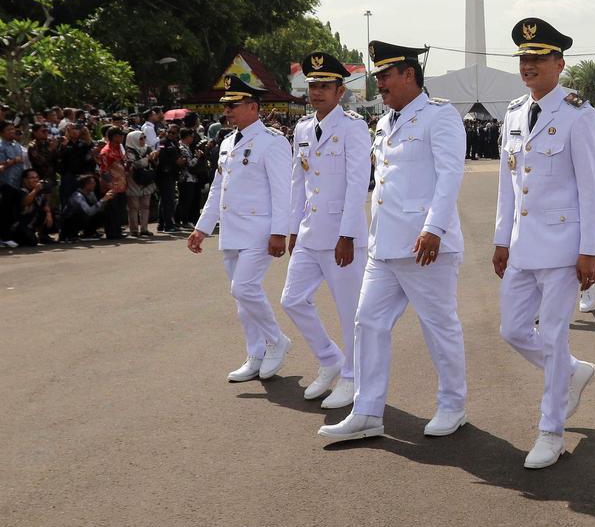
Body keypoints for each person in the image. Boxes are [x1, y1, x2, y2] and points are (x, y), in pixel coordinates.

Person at [319, 41, 469, 442]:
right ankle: (368, 411)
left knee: (439, 326)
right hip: (384, 245)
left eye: (385, 75)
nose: (380, 84)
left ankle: (453, 405)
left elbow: (450, 175)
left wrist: (435, 228)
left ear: (409, 74)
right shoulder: (386, 122)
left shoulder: (441, 116)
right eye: (377, 76)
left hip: (425, 245)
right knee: (367, 321)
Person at [491, 18, 595, 469]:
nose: (528, 66)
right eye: (523, 58)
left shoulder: (578, 115)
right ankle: (572, 373)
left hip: (562, 245)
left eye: (537, 58)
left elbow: (592, 190)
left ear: (559, 63)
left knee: (554, 336)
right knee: (513, 329)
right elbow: (507, 185)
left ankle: (550, 430)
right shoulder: (514, 114)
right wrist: (502, 239)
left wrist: (589, 250)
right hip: (522, 245)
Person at [277, 53, 370, 412]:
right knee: (292, 300)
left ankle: (352, 376)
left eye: (324, 86)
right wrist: (292, 228)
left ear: (339, 91)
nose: (316, 92)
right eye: (312, 85)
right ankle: (330, 358)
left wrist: (347, 235)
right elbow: (297, 181)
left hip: (341, 236)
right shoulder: (301, 128)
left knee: (350, 312)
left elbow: (357, 182)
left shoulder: (353, 127)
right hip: (310, 231)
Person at [187, 75, 293, 382]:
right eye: (226, 106)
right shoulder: (227, 141)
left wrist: (279, 232)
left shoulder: (272, 141)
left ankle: (277, 341)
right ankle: (255, 352)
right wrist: (202, 229)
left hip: (259, 229)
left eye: (234, 105)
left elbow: (281, 190)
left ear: (253, 107)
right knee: (243, 298)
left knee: (243, 288)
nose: (228, 112)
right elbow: (218, 189)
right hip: (233, 230)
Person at [60, 174, 115, 241]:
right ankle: (70, 235)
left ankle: (89, 233)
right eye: (92, 183)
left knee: (102, 214)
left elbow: (96, 208)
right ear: (85, 184)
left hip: (83, 219)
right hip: (70, 222)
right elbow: (89, 212)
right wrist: (103, 199)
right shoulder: (78, 196)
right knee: (80, 215)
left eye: (94, 183)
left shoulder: (91, 193)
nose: (94, 185)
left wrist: (106, 200)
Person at [97, 126, 128, 240]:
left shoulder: (118, 148)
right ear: (114, 137)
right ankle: (112, 233)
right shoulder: (106, 151)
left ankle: (117, 230)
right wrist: (110, 186)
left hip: (121, 184)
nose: (122, 137)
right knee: (111, 210)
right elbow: (104, 170)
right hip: (111, 186)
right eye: (120, 135)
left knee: (119, 210)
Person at [9, 168, 55, 246]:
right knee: (32, 241)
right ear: (25, 180)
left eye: (37, 177)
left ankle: (43, 235)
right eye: (32, 178)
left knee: (53, 213)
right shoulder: (21, 191)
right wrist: (36, 190)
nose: (36, 180)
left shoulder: (39, 190)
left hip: (31, 224)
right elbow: (25, 202)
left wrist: (48, 213)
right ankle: (12, 240)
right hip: (18, 226)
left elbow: (44, 203)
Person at [123, 130, 156, 237]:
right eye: (140, 138)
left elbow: (155, 162)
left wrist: (155, 157)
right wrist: (147, 158)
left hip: (147, 181)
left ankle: (144, 229)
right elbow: (134, 165)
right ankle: (134, 230)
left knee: (146, 206)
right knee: (133, 207)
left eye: (144, 137)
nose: (143, 140)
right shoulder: (129, 151)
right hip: (134, 181)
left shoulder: (148, 148)